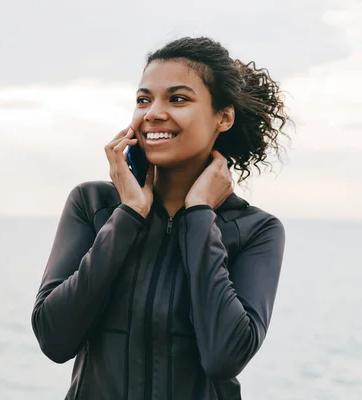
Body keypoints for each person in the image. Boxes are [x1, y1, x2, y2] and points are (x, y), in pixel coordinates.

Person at [30, 36, 291, 400]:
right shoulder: (93, 205)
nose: (153, 112)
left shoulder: (256, 230)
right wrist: (128, 216)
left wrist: (199, 216)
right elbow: (54, 339)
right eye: (143, 99)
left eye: (178, 98)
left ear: (224, 116)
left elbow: (224, 357)